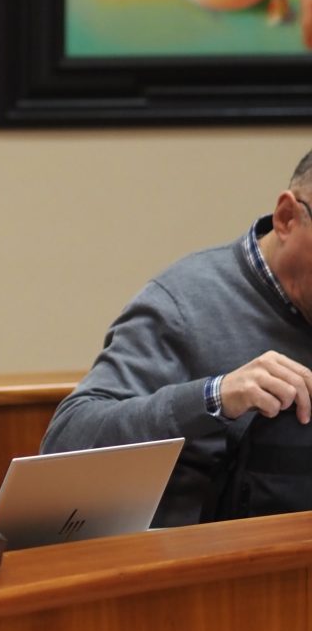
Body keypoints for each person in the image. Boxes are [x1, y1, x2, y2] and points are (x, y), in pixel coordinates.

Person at [41, 150, 312, 527]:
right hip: (207, 557)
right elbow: (65, 442)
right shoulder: (183, 305)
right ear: (286, 217)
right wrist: (213, 397)